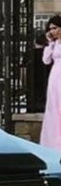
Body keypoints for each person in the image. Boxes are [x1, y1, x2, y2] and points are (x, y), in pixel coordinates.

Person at [40, 15, 61, 151]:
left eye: (55, 28)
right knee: (54, 107)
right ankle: (53, 142)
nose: (52, 31)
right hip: (55, 76)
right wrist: (50, 43)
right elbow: (46, 60)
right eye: (50, 28)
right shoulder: (54, 44)